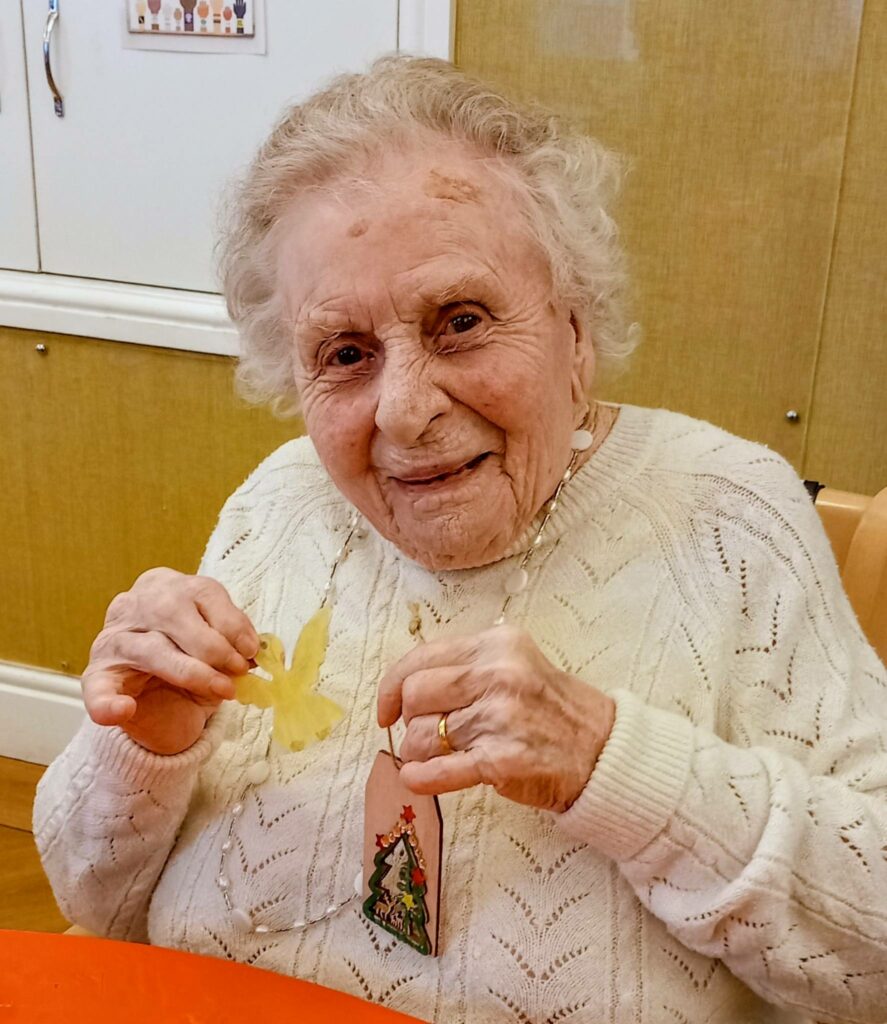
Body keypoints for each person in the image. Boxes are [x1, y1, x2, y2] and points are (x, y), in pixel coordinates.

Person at [34, 57, 887, 1023]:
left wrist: (615, 764)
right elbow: (91, 902)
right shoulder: (283, 502)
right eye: (345, 354)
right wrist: (142, 748)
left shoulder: (728, 515)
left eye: (462, 322)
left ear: (576, 330)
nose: (402, 412)